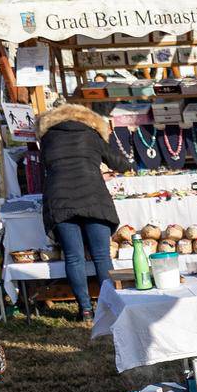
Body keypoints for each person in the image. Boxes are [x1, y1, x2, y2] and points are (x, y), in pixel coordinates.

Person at [35, 103, 135, 324]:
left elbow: (47, 166)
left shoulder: (48, 138)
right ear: (84, 118)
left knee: (73, 256)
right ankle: (111, 306)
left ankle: (85, 309)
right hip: (93, 197)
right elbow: (119, 162)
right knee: (101, 256)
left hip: (60, 200)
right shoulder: (90, 134)